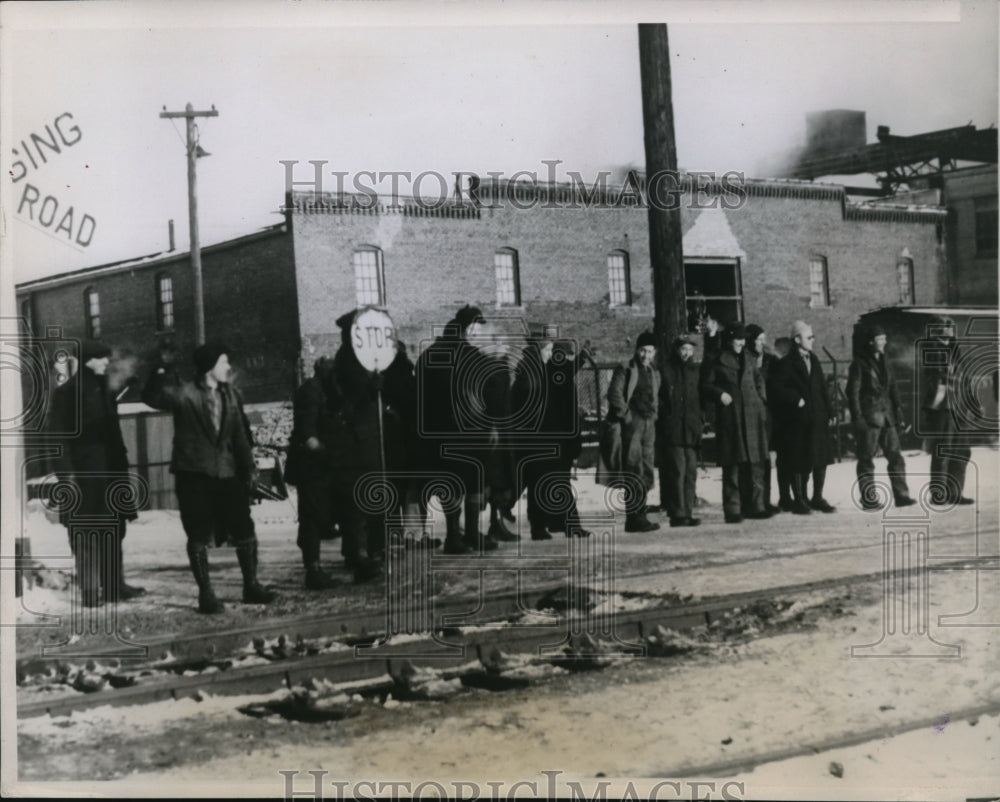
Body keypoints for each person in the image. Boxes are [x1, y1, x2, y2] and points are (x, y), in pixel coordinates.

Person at [142, 341, 276, 614]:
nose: (228, 367)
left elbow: (239, 435)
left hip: (227, 473)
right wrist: (162, 367)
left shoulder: (231, 395)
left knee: (244, 529)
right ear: (210, 367)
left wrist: (249, 469)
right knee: (198, 533)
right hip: (194, 475)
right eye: (224, 362)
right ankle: (206, 595)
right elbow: (152, 397)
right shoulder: (185, 393)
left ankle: (251, 586)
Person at [49, 340, 145, 607]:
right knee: (85, 531)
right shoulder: (67, 392)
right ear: (89, 360)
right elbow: (57, 438)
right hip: (83, 474)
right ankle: (91, 591)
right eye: (102, 358)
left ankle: (115, 587)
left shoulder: (105, 390)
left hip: (111, 472)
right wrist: (66, 475)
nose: (107, 362)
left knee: (114, 528)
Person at [416, 305, 500, 554]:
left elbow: (419, 396)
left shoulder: (429, 355)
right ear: (466, 328)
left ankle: (458, 535)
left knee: (453, 482)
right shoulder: (473, 356)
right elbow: (490, 392)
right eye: (475, 327)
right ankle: (465, 536)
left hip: (443, 432)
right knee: (472, 481)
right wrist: (492, 423)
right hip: (470, 431)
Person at [699, 322, 771, 523]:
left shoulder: (749, 357)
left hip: (752, 415)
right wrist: (720, 394)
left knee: (755, 463)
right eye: (736, 339)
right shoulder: (717, 359)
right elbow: (706, 385)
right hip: (732, 417)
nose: (740, 343)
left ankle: (756, 506)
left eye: (742, 339)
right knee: (733, 464)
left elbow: (758, 379)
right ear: (729, 340)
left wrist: (761, 400)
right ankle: (733, 509)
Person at [284, 357, 341, 589]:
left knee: (316, 514)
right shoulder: (311, 392)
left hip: (319, 462)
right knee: (311, 515)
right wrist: (323, 451)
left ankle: (313, 563)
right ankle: (313, 569)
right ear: (322, 371)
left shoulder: (323, 390)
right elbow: (307, 431)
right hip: (311, 464)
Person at [847, 324, 916, 511]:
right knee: (866, 459)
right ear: (871, 342)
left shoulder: (886, 361)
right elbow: (852, 392)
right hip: (870, 419)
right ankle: (869, 500)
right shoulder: (859, 364)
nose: (883, 342)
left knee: (896, 457)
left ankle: (902, 496)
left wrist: (899, 411)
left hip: (888, 417)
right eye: (880, 339)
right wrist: (858, 417)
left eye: (884, 338)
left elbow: (893, 388)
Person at [770, 321, 835, 515]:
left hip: (817, 418)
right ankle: (799, 499)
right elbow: (776, 388)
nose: (813, 340)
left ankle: (817, 497)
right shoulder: (786, 363)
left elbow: (822, 387)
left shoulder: (813, 359)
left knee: (821, 458)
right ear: (797, 339)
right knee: (800, 459)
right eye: (809, 337)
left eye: (813, 337)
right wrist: (795, 398)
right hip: (798, 421)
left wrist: (830, 412)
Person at [607, 330, 661, 532]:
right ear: (637, 350)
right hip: (633, 424)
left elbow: (655, 395)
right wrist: (627, 416)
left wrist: (654, 415)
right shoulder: (626, 368)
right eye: (643, 351)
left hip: (649, 424)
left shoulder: (654, 371)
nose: (646, 355)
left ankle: (641, 514)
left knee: (646, 468)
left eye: (650, 351)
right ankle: (633, 517)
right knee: (633, 468)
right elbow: (614, 394)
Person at [920, 316, 975, 506]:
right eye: (946, 326)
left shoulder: (954, 349)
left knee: (961, 451)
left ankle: (954, 492)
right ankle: (939, 494)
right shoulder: (932, 348)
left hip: (958, 407)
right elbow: (939, 376)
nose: (950, 329)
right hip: (942, 407)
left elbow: (963, 377)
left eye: (951, 326)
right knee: (943, 451)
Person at [658, 334, 703, 527]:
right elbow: (659, 397)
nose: (686, 353)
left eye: (690, 350)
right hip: (673, 428)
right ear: (677, 350)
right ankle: (677, 513)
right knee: (677, 471)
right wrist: (665, 417)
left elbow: (700, 397)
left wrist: (700, 420)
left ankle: (688, 511)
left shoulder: (695, 371)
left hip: (691, 428)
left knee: (691, 472)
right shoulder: (666, 370)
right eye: (683, 349)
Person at [745, 324, 781, 515]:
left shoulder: (768, 359)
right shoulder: (746, 359)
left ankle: (765, 500)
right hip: (753, 413)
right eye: (759, 339)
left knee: (766, 458)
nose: (762, 343)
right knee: (756, 459)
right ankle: (756, 502)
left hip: (767, 412)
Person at [769, 336, 795, 510]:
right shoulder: (780, 366)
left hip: (781, 420)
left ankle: (786, 496)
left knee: (785, 461)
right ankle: (787, 497)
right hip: (782, 420)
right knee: (786, 460)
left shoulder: (776, 365)